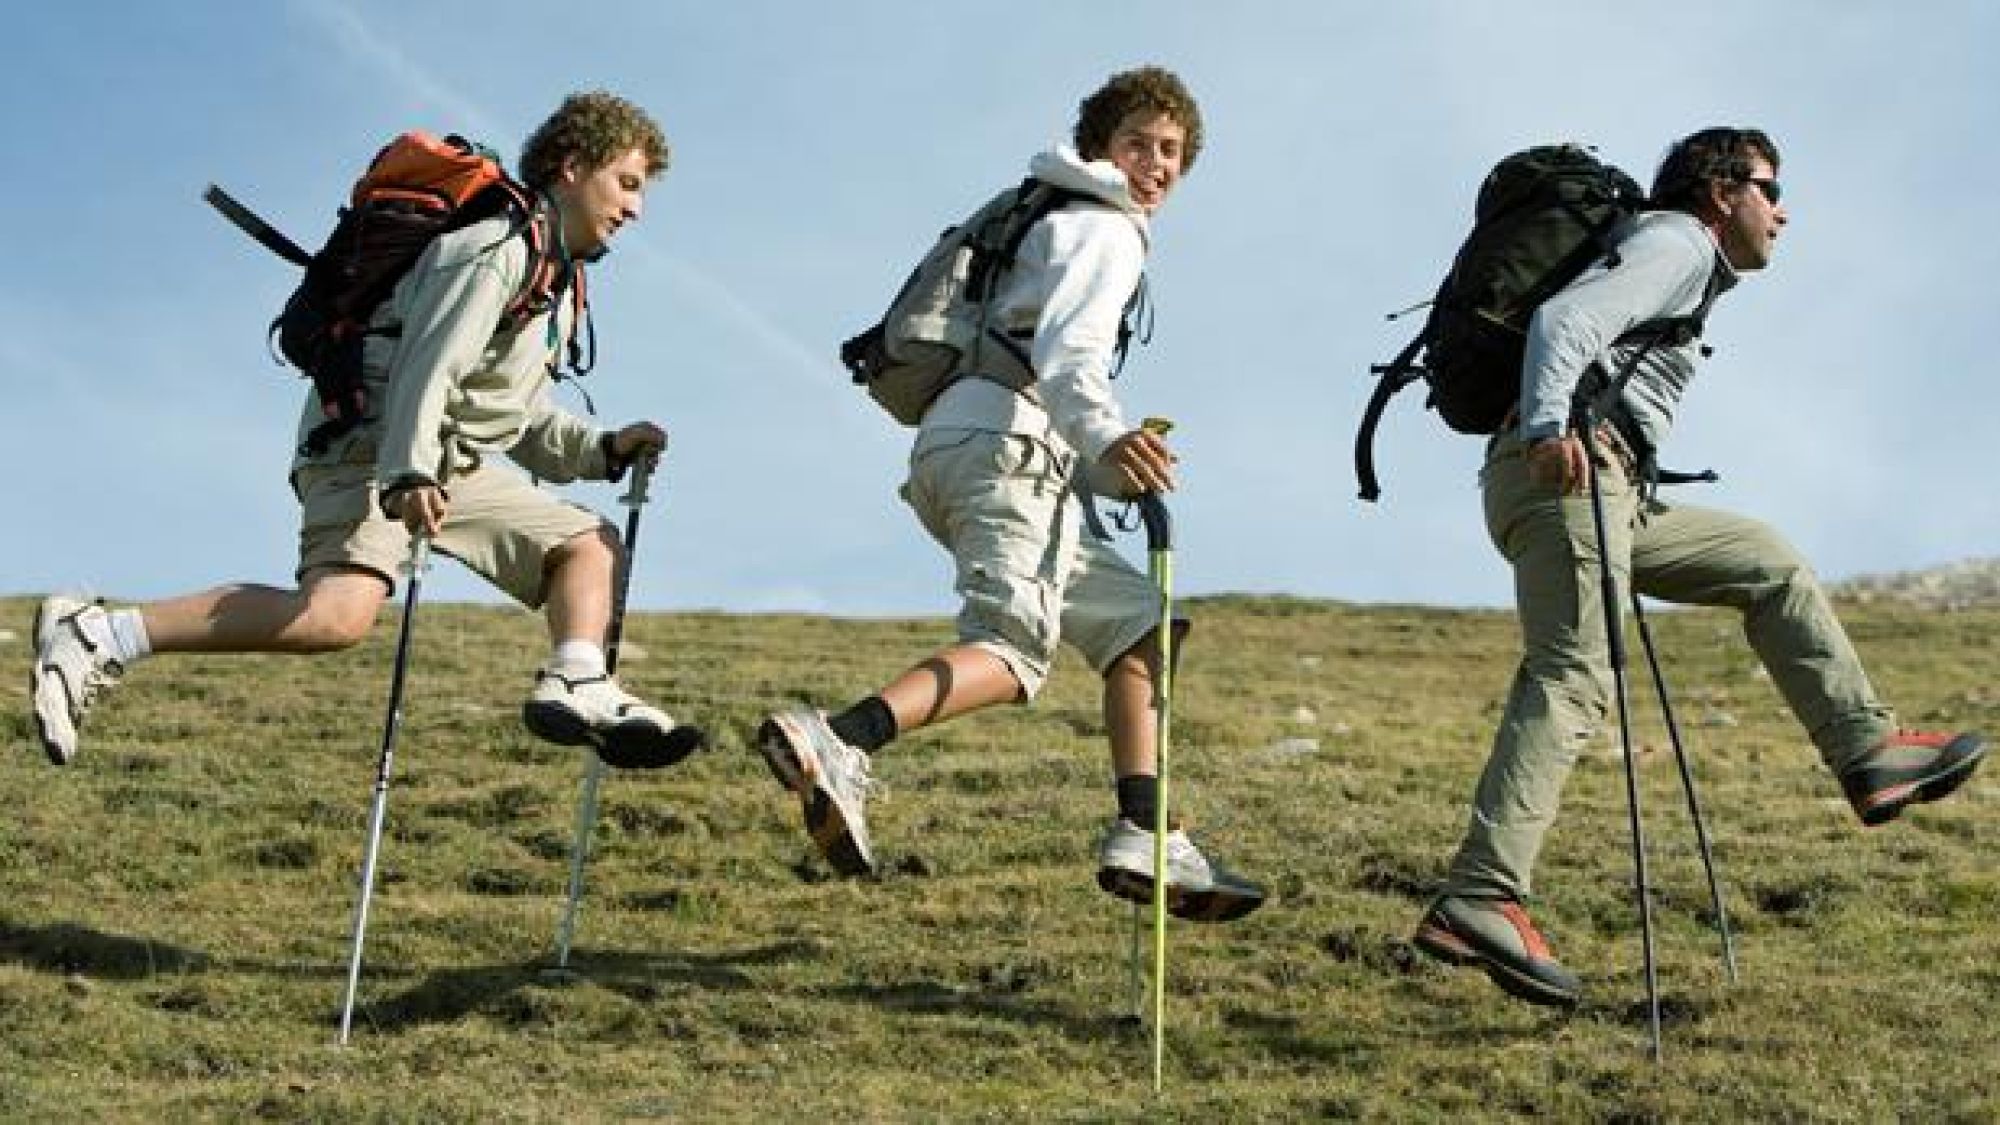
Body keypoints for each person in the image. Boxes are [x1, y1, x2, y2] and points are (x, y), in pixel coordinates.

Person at [1412, 127, 1987, 1008]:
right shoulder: (1677, 239)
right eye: (1769, 188)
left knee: (1767, 560)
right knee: (1573, 674)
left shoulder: (1682, 257)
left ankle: (1867, 750)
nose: (1781, 211)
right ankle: (1481, 894)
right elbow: (1568, 322)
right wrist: (1546, 428)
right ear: (1721, 191)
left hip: (1608, 486)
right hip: (1569, 469)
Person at [30, 90, 703, 769]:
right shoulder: (496, 247)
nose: (635, 207)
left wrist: (603, 450)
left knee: (586, 545)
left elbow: (512, 413)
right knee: (334, 615)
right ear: (571, 166)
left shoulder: (552, 278)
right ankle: (98, 632)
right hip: (371, 437)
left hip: (435, 458)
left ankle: (579, 676)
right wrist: (406, 471)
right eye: (626, 182)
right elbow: (427, 365)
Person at [755, 65, 1263, 921]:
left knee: (1143, 621)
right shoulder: (1105, 229)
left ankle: (1148, 830)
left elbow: (1035, 359)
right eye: (1138, 142)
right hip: (1006, 448)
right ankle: (842, 737)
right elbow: (1070, 360)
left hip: (975, 443)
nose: (1156, 163)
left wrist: (1104, 459)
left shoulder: (1044, 214)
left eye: (1172, 150)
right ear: (1102, 146)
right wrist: (1109, 438)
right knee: (1013, 650)